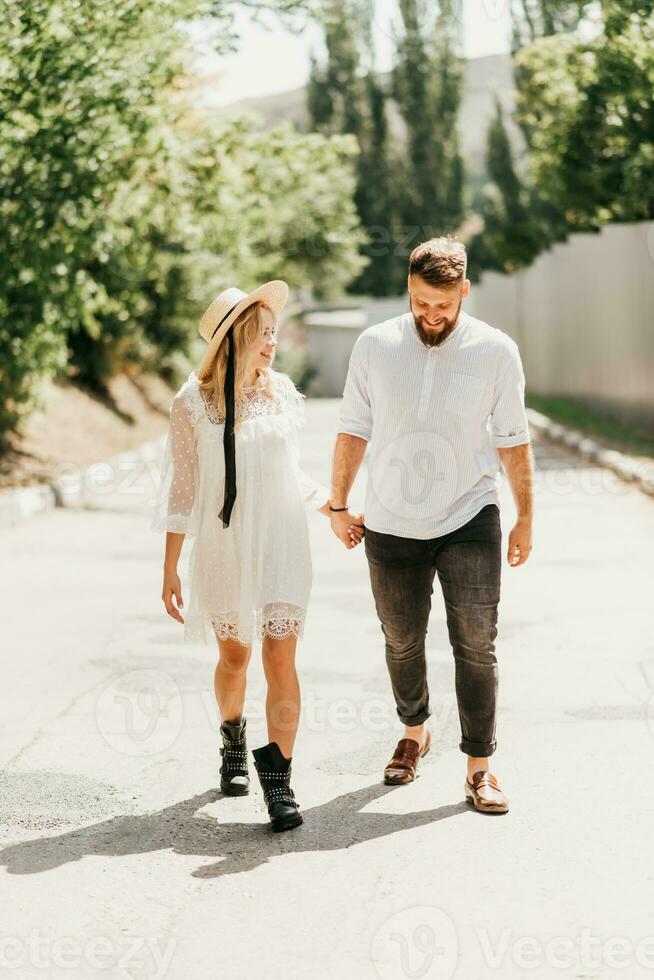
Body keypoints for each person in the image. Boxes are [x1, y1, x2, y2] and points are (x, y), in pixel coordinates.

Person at [329, 237, 534, 814]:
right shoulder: (374, 346)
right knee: (401, 639)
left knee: (476, 643)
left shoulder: (496, 351)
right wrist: (339, 504)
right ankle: (414, 730)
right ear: (409, 290)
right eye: (421, 302)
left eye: (443, 304)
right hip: (391, 519)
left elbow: (514, 440)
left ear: (464, 291)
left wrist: (525, 519)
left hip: (470, 515)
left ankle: (480, 767)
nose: (431, 314)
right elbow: (352, 427)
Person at [151, 281, 364, 832]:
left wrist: (335, 510)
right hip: (225, 545)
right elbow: (184, 488)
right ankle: (232, 739)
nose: (272, 343)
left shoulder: (283, 393)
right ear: (235, 338)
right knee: (236, 659)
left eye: (274, 333)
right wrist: (171, 565)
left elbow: (291, 474)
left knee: (280, 658)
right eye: (262, 334)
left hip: (282, 540)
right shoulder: (191, 402)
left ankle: (279, 782)